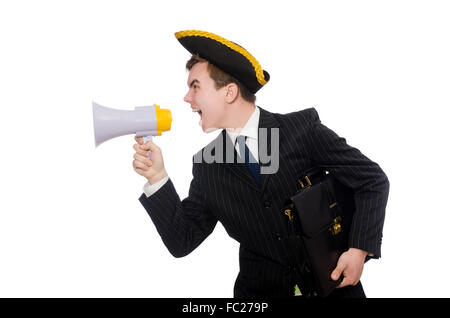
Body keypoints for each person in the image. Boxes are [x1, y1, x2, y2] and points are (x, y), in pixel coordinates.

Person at [132, 30, 390, 297]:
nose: (187, 98)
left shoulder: (301, 129)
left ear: (229, 92)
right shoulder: (207, 165)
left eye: (195, 86)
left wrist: (359, 251)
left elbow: (372, 180)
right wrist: (157, 177)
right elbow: (182, 239)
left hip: (334, 289)